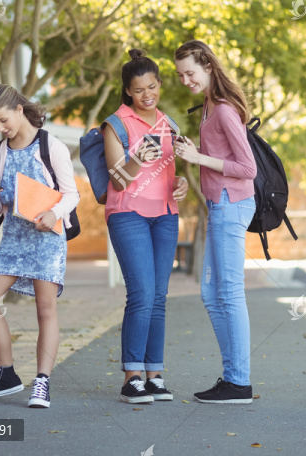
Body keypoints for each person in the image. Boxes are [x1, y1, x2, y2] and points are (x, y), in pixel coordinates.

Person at [0, 85, 79, 409]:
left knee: (45, 309)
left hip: (48, 237)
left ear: (19, 110)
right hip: (14, 238)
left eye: (4, 120)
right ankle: (6, 374)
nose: (1, 129)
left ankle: (42, 381)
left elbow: (72, 194)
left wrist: (54, 212)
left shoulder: (51, 146)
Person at [172, 40, 257, 404]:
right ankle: (233, 377)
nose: (185, 80)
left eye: (190, 72)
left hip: (231, 204)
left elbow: (247, 168)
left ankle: (239, 381)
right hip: (217, 205)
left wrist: (199, 158)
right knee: (211, 294)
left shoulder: (222, 110)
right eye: (180, 75)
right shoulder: (208, 106)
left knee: (229, 292)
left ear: (207, 65)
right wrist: (197, 152)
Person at [104, 49, 189, 403]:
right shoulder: (116, 124)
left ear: (159, 84)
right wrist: (138, 157)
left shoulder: (168, 124)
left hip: (165, 214)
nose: (147, 94)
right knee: (141, 293)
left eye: (152, 86)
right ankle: (132, 377)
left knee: (159, 298)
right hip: (128, 214)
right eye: (139, 90)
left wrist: (180, 183)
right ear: (128, 91)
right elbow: (118, 180)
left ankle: (154, 374)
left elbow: (170, 173)